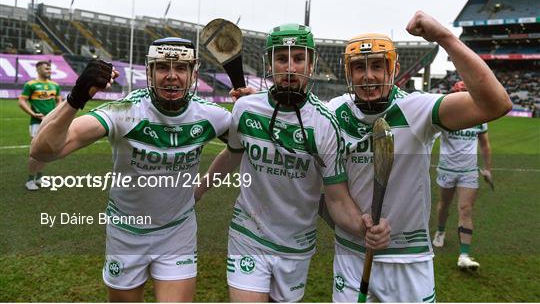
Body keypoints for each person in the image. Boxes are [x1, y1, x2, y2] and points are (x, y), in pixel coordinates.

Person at [195, 23, 391, 302]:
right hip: (248, 235)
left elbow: (336, 199)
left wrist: (366, 228)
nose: (290, 67)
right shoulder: (246, 109)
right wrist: (196, 192)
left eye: (298, 59)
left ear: (310, 65)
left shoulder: (325, 123)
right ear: (269, 63)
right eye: (282, 58)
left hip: (296, 246)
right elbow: (232, 156)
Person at [325, 11, 511, 302]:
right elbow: (330, 192)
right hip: (351, 257)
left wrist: (445, 37)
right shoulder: (334, 111)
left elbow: (496, 103)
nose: (369, 75)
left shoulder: (419, 108)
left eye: (377, 65)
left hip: (409, 261)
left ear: (392, 69)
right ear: (349, 73)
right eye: (359, 67)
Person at [31, 37, 231, 302]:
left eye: (181, 68)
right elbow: (43, 150)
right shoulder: (124, 111)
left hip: (177, 232)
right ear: (149, 72)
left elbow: (243, 145)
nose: (172, 76)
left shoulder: (211, 115)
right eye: (162, 67)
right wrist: (76, 97)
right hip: (126, 233)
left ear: (193, 73)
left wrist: (201, 188)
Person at [432, 81, 493, 271]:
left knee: (465, 209)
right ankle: (440, 231)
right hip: (446, 169)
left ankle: (464, 255)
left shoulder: (479, 117)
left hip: (468, 171)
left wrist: (488, 169)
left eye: (466, 93)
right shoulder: (445, 117)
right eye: (460, 93)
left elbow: (484, 144)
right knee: (444, 205)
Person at [18, 60, 62, 191]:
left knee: (47, 151)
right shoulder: (30, 84)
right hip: (37, 122)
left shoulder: (55, 85)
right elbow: (21, 101)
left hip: (52, 122)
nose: (48, 70)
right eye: (46, 68)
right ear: (38, 70)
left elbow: (59, 100)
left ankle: (39, 177)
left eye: (49, 68)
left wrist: (57, 112)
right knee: (36, 152)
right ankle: (30, 180)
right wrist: (33, 114)